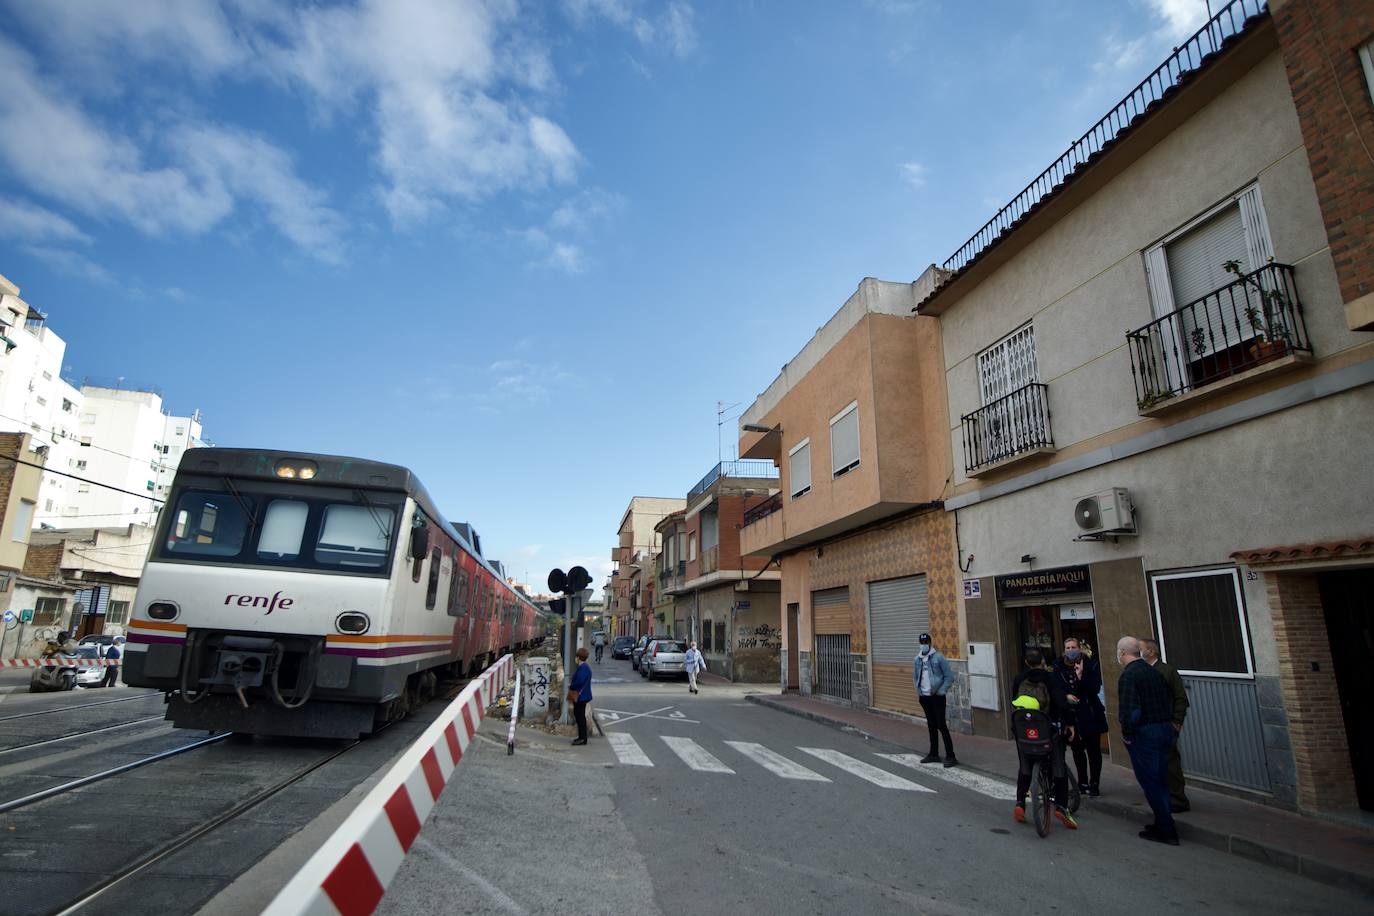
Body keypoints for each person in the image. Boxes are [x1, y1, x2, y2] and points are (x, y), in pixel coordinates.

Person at [1116, 636, 1179, 845]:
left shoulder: (1129, 676)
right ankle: (1163, 821)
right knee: (1161, 779)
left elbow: (1129, 710)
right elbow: (1168, 701)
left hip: (1146, 733)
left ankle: (1166, 829)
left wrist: (1127, 734)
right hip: (1164, 729)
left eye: (1119, 651)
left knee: (1151, 782)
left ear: (1123, 653)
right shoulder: (1155, 673)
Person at [1011, 649, 1078, 829]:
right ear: (1042, 662)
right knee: (1058, 765)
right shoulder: (1050, 679)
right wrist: (1070, 724)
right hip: (1048, 730)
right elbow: (1062, 704)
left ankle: (1019, 803)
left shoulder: (1019, 679)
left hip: (1024, 731)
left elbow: (1014, 702)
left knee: (1025, 766)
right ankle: (1061, 807)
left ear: (1026, 662)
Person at [1140, 637, 1190, 813]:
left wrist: (1176, 721)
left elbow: (1181, 698)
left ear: (1151, 651)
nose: (1140, 652)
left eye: (1142, 649)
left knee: (1170, 762)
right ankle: (1162, 798)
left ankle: (1178, 799)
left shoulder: (1167, 671)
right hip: (1149, 725)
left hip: (1166, 724)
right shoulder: (1143, 670)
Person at [1052, 637, 1108, 797]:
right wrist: (1066, 696)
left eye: (1073, 647)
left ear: (1079, 648)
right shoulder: (1058, 665)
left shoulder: (1090, 663)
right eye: (1068, 647)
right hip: (1071, 715)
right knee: (1077, 750)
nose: (1071, 650)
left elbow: (1095, 688)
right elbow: (1056, 688)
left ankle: (1094, 783)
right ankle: (1082, 782)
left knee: (1094, 751)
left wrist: (1080, 675)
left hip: (1090, 713)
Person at [913, 633, 957, 768]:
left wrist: (941, 691)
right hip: (925, 697)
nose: (924, 645)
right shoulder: (917, 659)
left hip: (937, 697)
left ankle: (951, 756)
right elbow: (915, 676)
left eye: (926, 642)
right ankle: (933, 753)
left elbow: (949, 676)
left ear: (930, 643)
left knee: (941, 725)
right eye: (922, 642)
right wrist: (919, 692)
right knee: (931, 725)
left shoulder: (938, 657)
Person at [568, 647, 593, 746]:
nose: (575, 659)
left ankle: (582, 738)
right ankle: (582, 737)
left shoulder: (583, 668)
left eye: (576, 657)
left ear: (579, 657)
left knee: (580, 717)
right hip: (582, 695)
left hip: (580, 696)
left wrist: (571, 685)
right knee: (580, 716)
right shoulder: (585, 667)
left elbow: (578, 681)